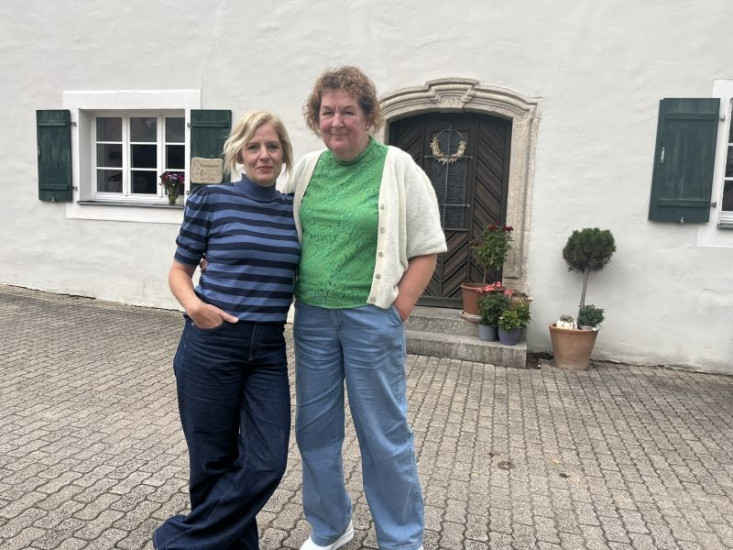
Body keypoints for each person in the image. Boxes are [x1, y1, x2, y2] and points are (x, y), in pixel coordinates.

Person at [284, 66, 446, 550]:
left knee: (383, 432)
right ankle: (331, 527)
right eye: (327, 112)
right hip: (313, 318)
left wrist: (398, 310)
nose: (336, 121)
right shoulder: (306, 169)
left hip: (371, 317)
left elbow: (427, 247)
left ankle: (401, 539)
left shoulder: (398, 167)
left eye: (347, 111)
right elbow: (270, 222)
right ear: (316, 118)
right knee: (314, 430)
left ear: (369, 117)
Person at [153, 111, 300, 550]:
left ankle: (178, 541)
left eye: (272, 146)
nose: (263, 155)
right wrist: (195, 308)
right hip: (211, 343)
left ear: (284, 154)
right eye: (253, 147)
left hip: (268, 348)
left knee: (267, 461)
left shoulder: (294, 210)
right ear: (238, 154)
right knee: (211, 461)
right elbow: (180, 270)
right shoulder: (211, 200)